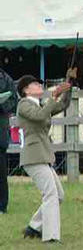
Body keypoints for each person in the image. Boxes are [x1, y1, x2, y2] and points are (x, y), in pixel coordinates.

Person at [17, 72, 73, 243]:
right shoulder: (23, 105)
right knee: (50, 194)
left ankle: (34, 227)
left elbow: (63, 105)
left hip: (42, 156)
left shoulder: (40, 104)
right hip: (33, 157)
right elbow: (40, 117)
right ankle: (51, 237)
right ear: (26, 90)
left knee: (59, 195)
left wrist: (68, 86)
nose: (40, 85)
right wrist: (53, 96)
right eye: (35, 84)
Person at [0, 68, 18, 214]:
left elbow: (13, 101)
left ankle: (2, 205)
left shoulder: (6, 79)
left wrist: (2, 105)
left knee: (0, 171)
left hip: (0, 128)